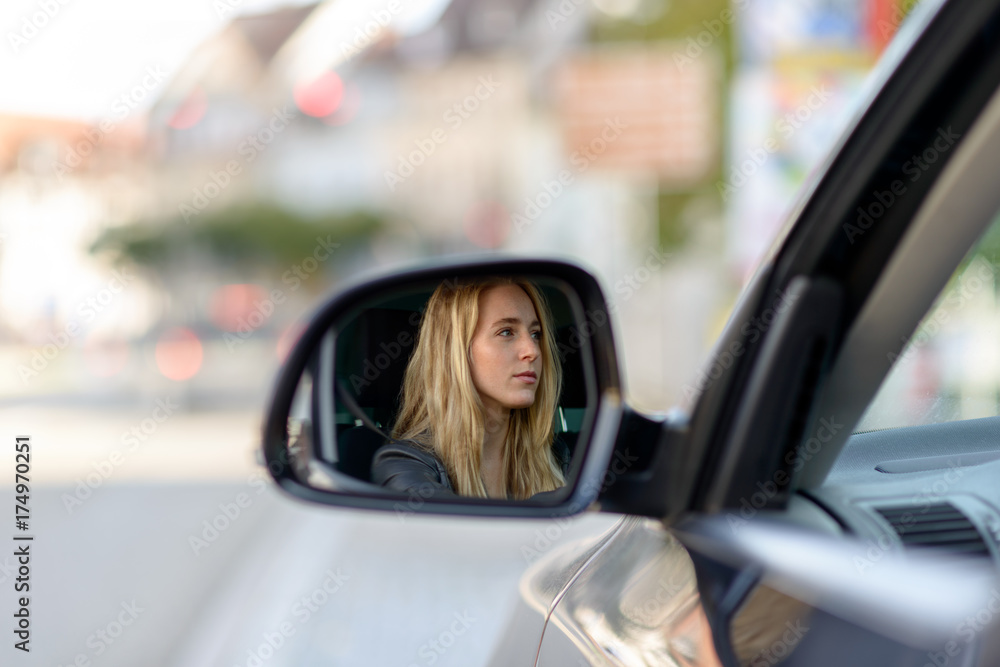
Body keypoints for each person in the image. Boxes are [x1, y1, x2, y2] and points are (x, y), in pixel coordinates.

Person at [371, 276, 569, 500]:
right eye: (506, 332)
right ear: (455, 350)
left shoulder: (554, 455)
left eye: (536, 334)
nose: (532, 350)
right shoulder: (404, 464)